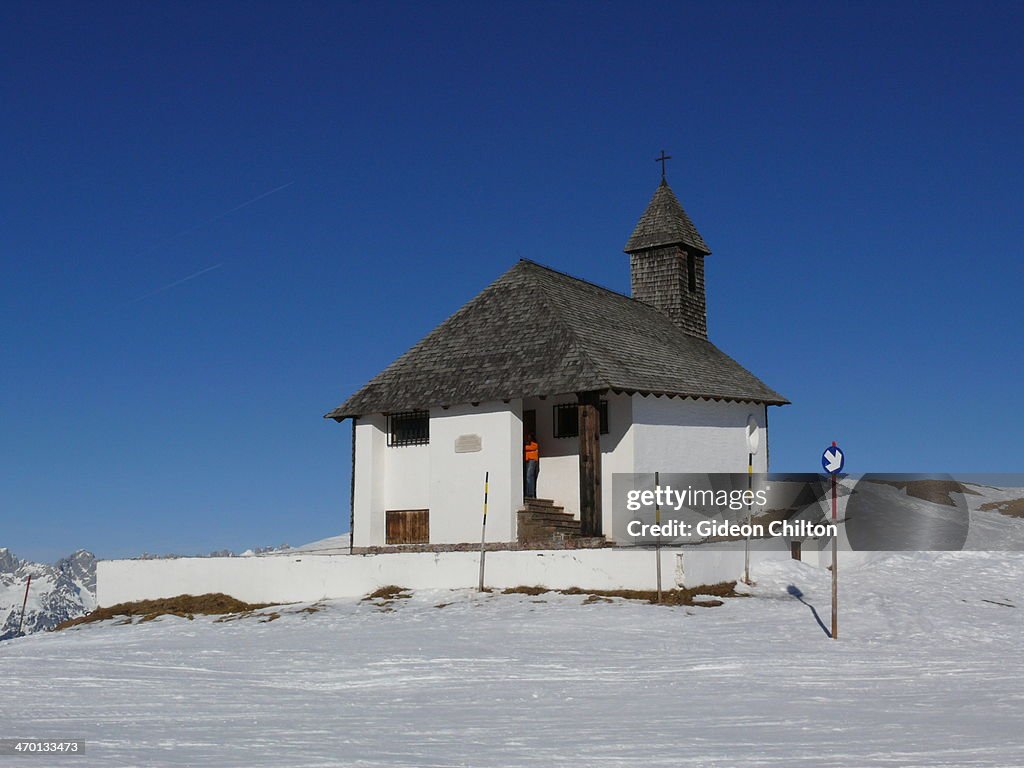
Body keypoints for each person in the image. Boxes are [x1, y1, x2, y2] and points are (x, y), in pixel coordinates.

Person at [523, 432, 540, 498]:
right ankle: (529, 492)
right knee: (528, 476)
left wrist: (524, 446)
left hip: (532, 460)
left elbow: (531, 448)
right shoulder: (528, 443)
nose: (527, 438)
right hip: (528, 460)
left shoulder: (534, 443)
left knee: (529, 476)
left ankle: (530, 493)